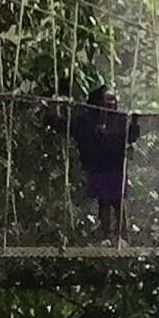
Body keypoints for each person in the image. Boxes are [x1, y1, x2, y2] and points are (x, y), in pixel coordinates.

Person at [51, 84, 141, 242]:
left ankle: (123, 239)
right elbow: (66, 126)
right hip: (98, 166)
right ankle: (106, 238)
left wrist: (134, 121)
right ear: (98, 101)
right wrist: (49, 111)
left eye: (114, 99)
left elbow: (131, 136)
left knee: (119, 202)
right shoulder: (87, 120)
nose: (112, 102)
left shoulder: (119, 120)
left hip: (116, 166)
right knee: (104, 203)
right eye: (108, 99)